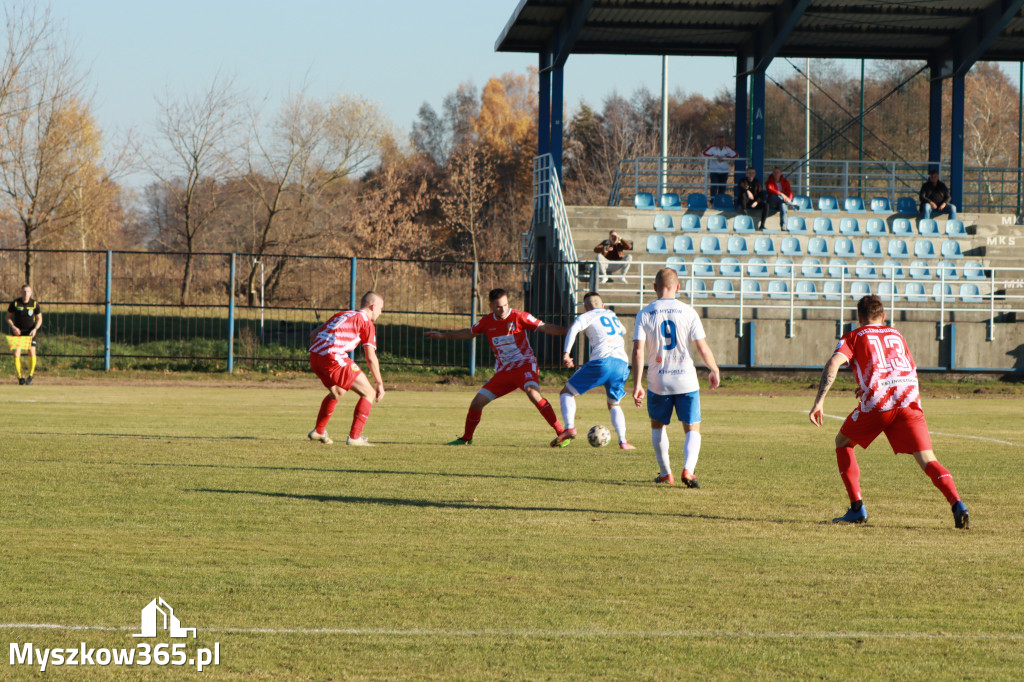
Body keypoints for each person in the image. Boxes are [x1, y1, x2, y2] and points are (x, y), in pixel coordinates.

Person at [808, 295, 970, 529]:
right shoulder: (897, 334)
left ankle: (857, 509)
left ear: (858, 318)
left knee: (843, 442)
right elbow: (900, 367)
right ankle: (958, 505)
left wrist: (819, 401)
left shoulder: (854, 336)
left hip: (878, 404)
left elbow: (833, 363)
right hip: (908, 401)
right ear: (883, 317)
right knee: (927, 459)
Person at [425, 288, 568, 445]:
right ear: (491, 306)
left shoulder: (520, 316)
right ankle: (466, 438)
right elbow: (469, 333)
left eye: (506, 305)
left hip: (525, 366)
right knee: (476, 403)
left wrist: (569, 330)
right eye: (499, 306)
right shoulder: (487, 322)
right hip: (504, 373)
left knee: (533, 394)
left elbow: (545, 327)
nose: (503, 309)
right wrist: (443, 335)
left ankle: (562, 433)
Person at [632, 268, 721, 487]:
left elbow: (637, 352)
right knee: (692, 427)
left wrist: (637, 384)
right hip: (686, 379)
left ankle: (665, 473)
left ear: (654, 287)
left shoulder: (645, 313)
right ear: (678, 287)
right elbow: (701, 347)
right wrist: (714, 369)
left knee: (658, 426)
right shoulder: (689, 312)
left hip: (658, 380)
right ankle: (688, 471)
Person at [550, 292, 635, 450]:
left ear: (585, 307)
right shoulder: (610, 314)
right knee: (614, 404)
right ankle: (623, 441)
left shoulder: (586, 316)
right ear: (602, 305)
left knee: (566, 393)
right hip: (622, 364)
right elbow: (623, 330)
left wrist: (566, 354)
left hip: (602, 362)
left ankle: (569, 427)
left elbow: (573, 330)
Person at [307, 291, 386, 446]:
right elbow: (370, 357)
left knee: (337, 392)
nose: (381, 312)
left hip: (315, 356)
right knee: (369, 392)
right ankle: (355, 438)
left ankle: (319, 431)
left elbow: (313, 334)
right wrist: (380, 384)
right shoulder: (366, 323)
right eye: (381, 308)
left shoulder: (343, 314)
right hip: (333, 356)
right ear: (373, 306)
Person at [7, 285, 42, 385]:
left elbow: (39, 318)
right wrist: (13, 327)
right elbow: (7, 317)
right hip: (18, 333)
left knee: (31, 353)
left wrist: (35, 329)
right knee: (16, 353)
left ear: (31, 293)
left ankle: (30, 376)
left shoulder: (34, 304)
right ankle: (20, 377)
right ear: (21, 292)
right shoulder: (15, 303)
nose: (26, 294)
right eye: (24, 292)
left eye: (28, 292)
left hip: (30, 332)